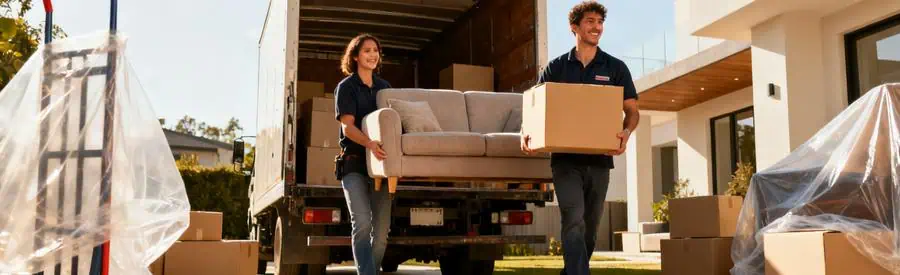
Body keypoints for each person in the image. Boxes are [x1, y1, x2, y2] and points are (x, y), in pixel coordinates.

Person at [521, 2, 640, 275]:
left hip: (600, 161)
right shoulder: (556, 68)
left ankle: (571, 271)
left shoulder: (615, 68)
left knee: (590, 226)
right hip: (565, 162)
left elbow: (632, 111)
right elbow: (535, 106)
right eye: (590, 21)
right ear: (574, 27)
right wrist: (524, 132)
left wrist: (626, 132)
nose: (596, 27)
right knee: (573, 219)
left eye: (600, 21)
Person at [334, 33, 392, 275]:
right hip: (355, 164)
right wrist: (369, 143)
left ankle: (369, 272)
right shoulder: (346, 87)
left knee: (380, 233)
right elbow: (347, 126)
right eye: (367, 50)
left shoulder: (385, 88)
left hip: (382, 167)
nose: (372, 55)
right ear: (356, 56)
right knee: (362, 224)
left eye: (375, 50)